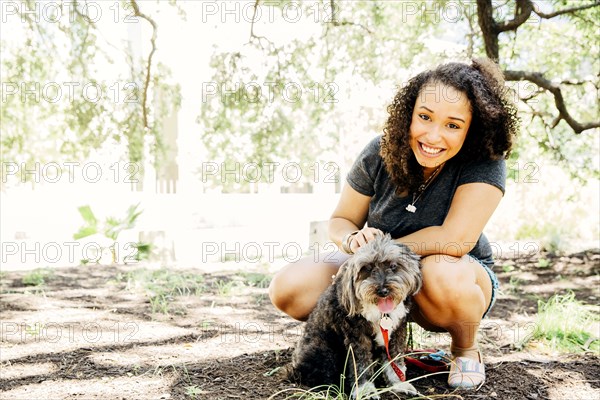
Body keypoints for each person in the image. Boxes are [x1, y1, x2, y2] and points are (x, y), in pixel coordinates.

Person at [269, 58, 519, 389]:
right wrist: (353, 241)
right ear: (409, 114)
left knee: (439, 271)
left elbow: (455, 239)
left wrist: (383, 248)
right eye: (425, 117)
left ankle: (465, 350)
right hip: (378, 271)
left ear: (473, 128)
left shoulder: (484, 161)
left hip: (452, 275)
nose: (433, 135)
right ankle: (372, 340)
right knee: (289, 286)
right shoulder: (379, 151)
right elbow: (340, 221)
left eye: (453, 125)